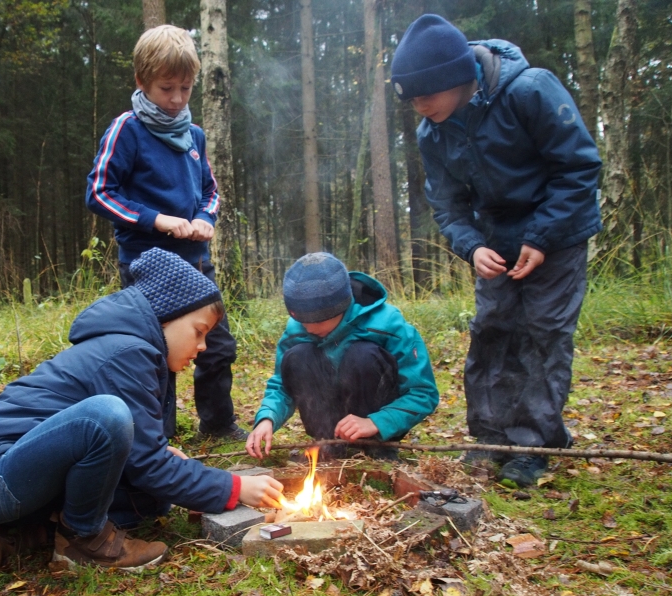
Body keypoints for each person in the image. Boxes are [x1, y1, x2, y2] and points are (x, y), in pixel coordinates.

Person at [0, 248, 284, 573]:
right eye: (199, 332)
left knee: (149, 500)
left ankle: (20, 534)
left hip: (16, 476)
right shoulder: (129, 352)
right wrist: (233, 488)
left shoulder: (136, 350)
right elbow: (147, 464)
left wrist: (170, 464)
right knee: (107, 416)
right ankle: (84, 541)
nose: (202, 347)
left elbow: (141, 458)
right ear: (166, 315)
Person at [390, 15, 602, 487]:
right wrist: (471, 247)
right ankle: (489, 439)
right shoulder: (434, 131)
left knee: (542, 332)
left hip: (559, 234)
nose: (420, 107)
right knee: (493, 330)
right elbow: (446, 203)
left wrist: (543, 237)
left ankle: (533, 445)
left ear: (458, 78)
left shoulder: (529, 91)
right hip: (497, 243)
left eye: (426, 94)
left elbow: (579, 169)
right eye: (411, 100)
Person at [85, 24, 245, 442]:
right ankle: (158, 439)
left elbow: (209, 192)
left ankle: (217, 425)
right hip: (147, 269)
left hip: (196, 263)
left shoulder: (194, 137)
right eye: (166, 88)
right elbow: (100, 192)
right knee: (157, 355)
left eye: (185, 89)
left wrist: (204, 218)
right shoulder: (127, 130)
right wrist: (157, 220)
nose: (176, 100)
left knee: (218, 347)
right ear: (142, 82)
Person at [245, 253, 439, 462]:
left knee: (362, 356)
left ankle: (376, 449)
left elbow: (422, 393)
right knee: (298, 356)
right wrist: (267, 418)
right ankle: (329, 446)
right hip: (328, 430)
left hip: (376, 423)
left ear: (341, 307)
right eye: (301, 320)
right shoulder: (296, 330)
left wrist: (376, 422)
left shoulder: (388, 325)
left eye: (316, 320)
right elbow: (282, 385)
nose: (308, 327)